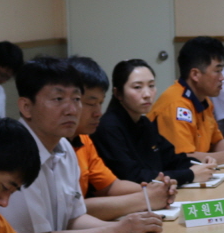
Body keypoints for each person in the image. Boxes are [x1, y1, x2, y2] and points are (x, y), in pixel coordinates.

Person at [0, 57, 162, 233]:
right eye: (58, 99)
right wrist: (116, 232)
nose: (71, 110)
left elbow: (74, 219)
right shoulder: (15, 155)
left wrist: (129, 228)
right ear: (26, 107)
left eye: (76, 99)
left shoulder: (65, 146)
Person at [68, 57, 175, 219]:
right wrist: (145, 198)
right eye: (90, 104)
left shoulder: (83, 139)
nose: (98, 113)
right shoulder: (107, 127)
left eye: (100, 103)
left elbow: (110, 186)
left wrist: (159, 189)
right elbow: (70, 211)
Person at [95, 60, 216, 187]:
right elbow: (133, 177)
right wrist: (190, 174)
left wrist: (200, 164)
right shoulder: (108, 128)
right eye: (137, 87)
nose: (147, 94)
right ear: (118, 93)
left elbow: (171, 159)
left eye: (151, 85)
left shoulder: (143, 122)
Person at [149, 37, 224, 165]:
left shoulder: (204, 101)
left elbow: (216, 142)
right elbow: (183, 159)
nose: (222, 78)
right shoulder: (176, 105)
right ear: (195, 75)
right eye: (217, 71)